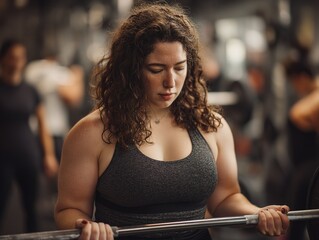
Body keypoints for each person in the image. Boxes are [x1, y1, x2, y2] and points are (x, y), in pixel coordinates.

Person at [55, 3, 289, 240]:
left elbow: (226, 197)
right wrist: (86, 226)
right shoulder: (91, 132)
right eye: (156, 69)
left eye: (179, 68)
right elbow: (69, 209)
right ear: (130, 70)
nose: (171, 82)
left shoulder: (211, 126)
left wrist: (258, 212)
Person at [0, 39, 58, 233]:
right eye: (12, 57)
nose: (16, 62)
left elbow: (43, 126)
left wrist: (48, 155)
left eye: (20, 57)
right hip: (2, 158)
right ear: (3, 59)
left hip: (27, 155)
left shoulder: (30, 91)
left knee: (31, 209)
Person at [25, 51, 84, 161]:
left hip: (34, 129)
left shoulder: (31, 69)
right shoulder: (59, 73)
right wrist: (77, 76)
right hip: (53, 130)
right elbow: (74, 98)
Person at [284, 60, 319, 240]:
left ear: (303, 78)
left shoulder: (315, 100)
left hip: (310, 172)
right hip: (302, 170)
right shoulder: (311, 97)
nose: (295, 87)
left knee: (296, 226)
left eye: (294, 82)